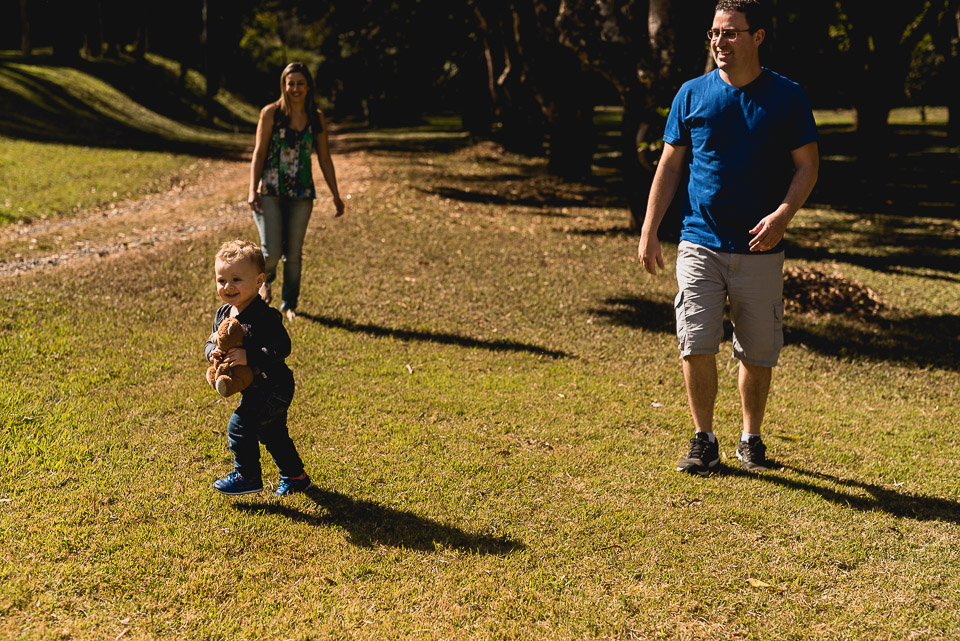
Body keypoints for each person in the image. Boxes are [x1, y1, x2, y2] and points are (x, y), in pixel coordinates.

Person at [638, 0, 819, 475]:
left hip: (760, 247)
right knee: (695, 340)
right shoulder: (691, 94)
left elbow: (808, 165)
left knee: (757, 351)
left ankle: (750, 438)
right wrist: (650, 227)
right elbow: (671, 165)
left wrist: (783, 215)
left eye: (732, 33)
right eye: (715, 33)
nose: (720, 42)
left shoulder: (786, 96)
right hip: (699, 240)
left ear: (757, 37)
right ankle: (703, 439)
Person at [205, 240, 312, 496]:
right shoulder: (223, 313)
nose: (228, 287)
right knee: (272, 432)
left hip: (274, 386)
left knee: (239, 426)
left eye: (237, 279)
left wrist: (249, 355)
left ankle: (247, 476)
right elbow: (210, 341)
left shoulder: (264, 317)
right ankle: (295, 476)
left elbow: (282, 346)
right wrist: (213, 353)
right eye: (222, 280)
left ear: (259, 281)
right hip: (257, 388)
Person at [249, 61, 345, 322]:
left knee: (293, 253)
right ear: (284, 85)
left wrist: (336, 194)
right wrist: (252, 190)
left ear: (308, 86)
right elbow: (258, 153)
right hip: (270, 189)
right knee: (270, 252)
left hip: (302, 194)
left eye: (300, 83)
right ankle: (262, 283)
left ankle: (289, 304)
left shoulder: (316, 117)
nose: (295, 88)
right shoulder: (271, 113)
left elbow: (325, 159)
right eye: (290, 83)